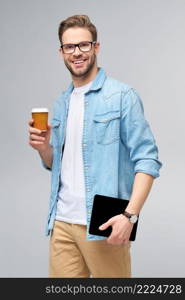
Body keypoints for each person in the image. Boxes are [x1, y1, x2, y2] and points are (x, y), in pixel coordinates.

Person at [28, 14, 162, 278]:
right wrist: (44, 149)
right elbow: (62, 164)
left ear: (96, 47)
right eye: (69, 47)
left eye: (83, 45)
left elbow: (148, 160)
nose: (76, 52)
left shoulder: (122, 96)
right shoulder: (61, 103)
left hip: (104, 220)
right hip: (62, 223)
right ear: (61, 52)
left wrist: (129, 216)